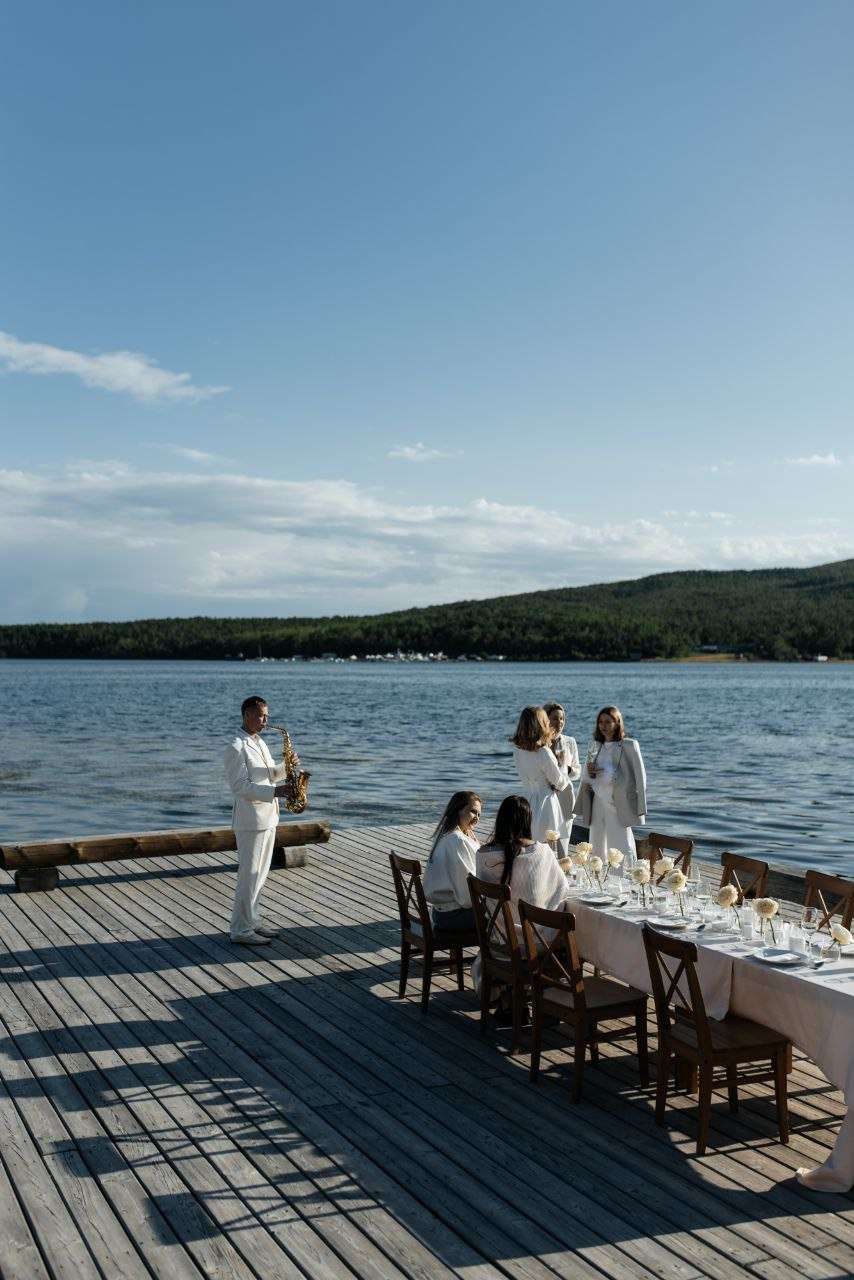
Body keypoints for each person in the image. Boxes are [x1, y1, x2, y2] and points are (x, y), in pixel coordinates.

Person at [224, 695, 295, 945]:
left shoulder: (260, 743)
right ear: (247, 715)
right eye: (261, 716)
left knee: (260, 875)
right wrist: (276, 792)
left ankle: (253, 922)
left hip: (268, 818)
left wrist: (286, 768)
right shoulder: (236, 746)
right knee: (248, 876)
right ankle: (240, 931)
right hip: (250, 821)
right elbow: (239, 787)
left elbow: (268, 776)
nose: (265, 721)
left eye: (267, 716)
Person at [574, 705, 646, 861]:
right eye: (600, 722)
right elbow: (588, 778)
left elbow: (640, 778)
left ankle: (624, 881)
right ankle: (597, 880)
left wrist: (640, 808)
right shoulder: (595, 746)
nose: (603, 726)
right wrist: (591, 773)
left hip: (618, 802)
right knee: (596, 844)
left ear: (617, 722)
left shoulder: (629, 745)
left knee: (620, 846)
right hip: (597, 802)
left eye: (608, 722)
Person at [421, 791, 482, 931]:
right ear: (458, 810)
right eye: (473, 812)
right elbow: (467, 898)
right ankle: (491, 952)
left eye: (479, 815)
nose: (476, 818)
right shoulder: (458, 841)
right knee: (506, 918)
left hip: (440, 913)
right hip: (454, 917)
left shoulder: (444, 834)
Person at [510, 706, 570, 845]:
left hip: (527, 799)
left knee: (530, 841)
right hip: (546, 801)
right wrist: (564, 765)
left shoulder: (518, 750)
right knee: (547, 843)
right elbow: (560, 782)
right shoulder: (543, 752)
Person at [542, 700, 581, 854]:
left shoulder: (570, 742)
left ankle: (563, 869)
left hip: (565, 795)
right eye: (555, 718)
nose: (560, 722)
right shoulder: (539, 743)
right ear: (545, 719)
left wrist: (567, 767)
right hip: (545, 795)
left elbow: (577, 772)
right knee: (545, 838)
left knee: (564, 838)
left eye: (562, 718)